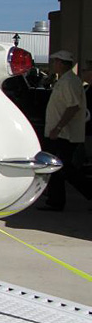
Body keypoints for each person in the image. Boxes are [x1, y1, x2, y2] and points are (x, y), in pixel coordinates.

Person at [39, 50, 92, 211]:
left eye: (55, 61)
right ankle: (55, 200)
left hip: (64, 134)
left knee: (64, 168)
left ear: (61, 63)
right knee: (58, 167)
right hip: (59, 132)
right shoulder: (64, 80)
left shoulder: (69, 81)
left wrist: (59, 127)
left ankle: (82, 193)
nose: (53, 64)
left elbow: (73, 106)